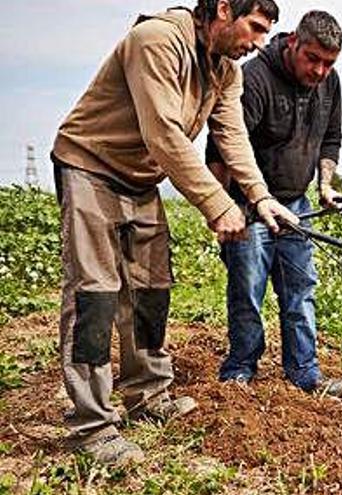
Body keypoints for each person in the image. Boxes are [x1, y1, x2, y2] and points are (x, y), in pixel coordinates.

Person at [51, 0, 299, 466]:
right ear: (224, 9)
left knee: (150, 290)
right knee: (96, 296)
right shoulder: (158, 40)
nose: (260, 43)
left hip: (141, 178)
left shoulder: (226, 70)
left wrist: (260, 196)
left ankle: (147, 396)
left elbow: (232, 137)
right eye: (256, 28)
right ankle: (92, 428)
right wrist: (217, 204)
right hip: (90, 166)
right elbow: (163, 133)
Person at [206, 10, 342, 395]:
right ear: (293, 43)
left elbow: (330, 138)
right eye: (312, 59)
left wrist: (326, 187)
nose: (320, 71)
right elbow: (221, 144)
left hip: (296, 205)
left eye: (328, 63)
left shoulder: (329, 83)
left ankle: (304, 373)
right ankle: (240, 370)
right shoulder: (254, 79)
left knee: (301, 290)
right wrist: (220, 205)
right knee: (248, 290)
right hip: (249, 207)